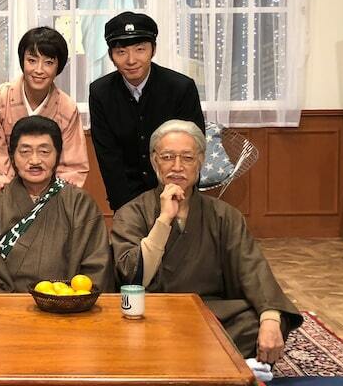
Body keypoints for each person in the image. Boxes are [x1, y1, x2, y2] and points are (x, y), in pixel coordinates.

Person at [111, 119, 302, 366]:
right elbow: (133, 278)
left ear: (200, 161)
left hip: (210, 314)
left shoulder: (225, 215)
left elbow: (252, 267)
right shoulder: (131, 213)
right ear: (154, 161)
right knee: (121, 330)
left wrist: (270, 319)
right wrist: (164, 219)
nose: (177, 166)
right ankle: (206, 359)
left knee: (261, 322)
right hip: (153, 314)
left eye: (187, 158)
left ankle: (175, 357)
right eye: (167, 157)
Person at [0, 115, 113, 293]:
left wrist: (69, 300)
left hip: (65, 304)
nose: (34, 161)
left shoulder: (80, 204)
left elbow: (96, 266)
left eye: (44, 152)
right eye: (25, 152)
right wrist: (8, 306)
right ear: (12, 157)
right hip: (4, 305)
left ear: (58, 155)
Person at [89, 11, 206, 212]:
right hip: (126, 197)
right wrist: (126, 210)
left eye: (140, 49)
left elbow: (192, 149)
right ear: (111, 56)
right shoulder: (101, 92)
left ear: (153, 50)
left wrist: (178, 198)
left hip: (177, 191)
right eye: (121, 52)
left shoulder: (181, 88)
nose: (131, 60)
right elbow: (108, 157)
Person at [0, 26, 88, 203]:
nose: (39, 70)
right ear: (22, 61)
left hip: (51, 202)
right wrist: (15, 202)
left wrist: (44, 202)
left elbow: (72, 166)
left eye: (48, 63)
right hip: (4, 200)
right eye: (32, 60)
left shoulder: (67, 108)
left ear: (59, 66)